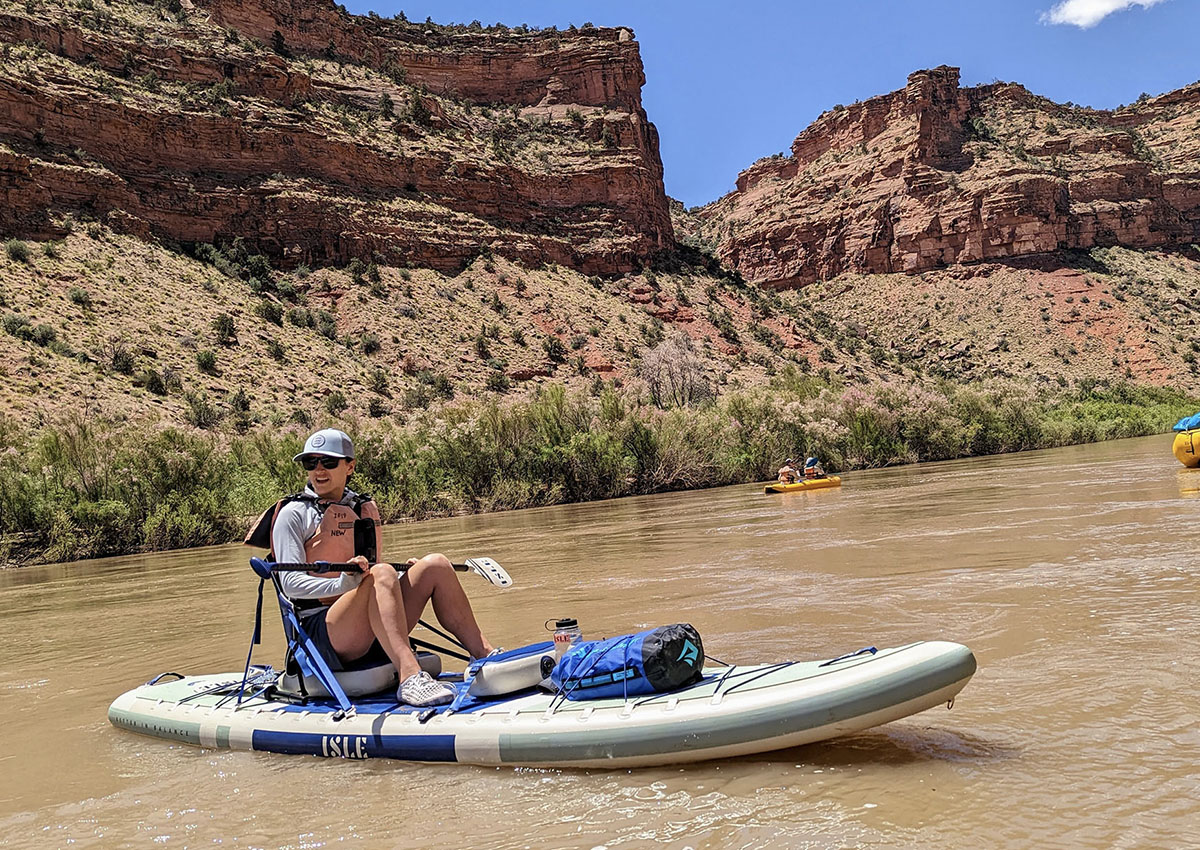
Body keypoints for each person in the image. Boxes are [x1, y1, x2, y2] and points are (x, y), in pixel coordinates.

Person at [267, 428, 496, 707]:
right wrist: (342, 585)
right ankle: (410, 677)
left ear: (349, 466)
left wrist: (403, 575)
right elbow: (291, 585)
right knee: (383, 572)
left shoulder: (361, 508)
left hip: (362, 621)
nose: (318, 470)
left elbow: (370, 576)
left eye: (328, 462)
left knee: (434, 565)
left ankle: (484, 657)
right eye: (310, 463)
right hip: (322, 632)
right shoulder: (293, 515)